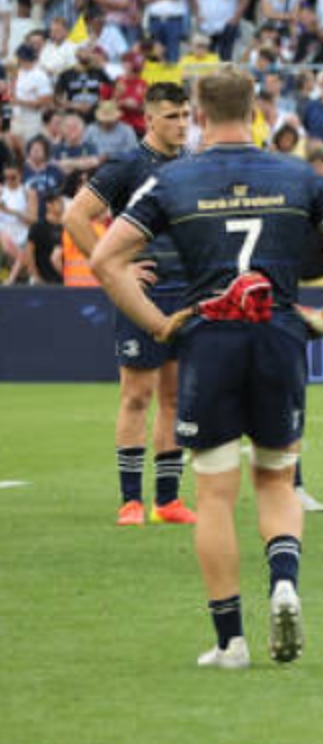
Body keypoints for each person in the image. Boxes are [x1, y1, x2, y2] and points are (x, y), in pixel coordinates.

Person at [88, 64, 323, 669]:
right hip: (278, 333)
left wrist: (156, 322)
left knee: (217, 495)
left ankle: (231, 641)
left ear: (198, 114)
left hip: (209, 338)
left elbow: (104, 258)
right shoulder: (298, 174)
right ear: (257, 112)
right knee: (277, 478)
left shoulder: (174, 179)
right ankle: (283, 582)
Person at [63, 83, 198, 526]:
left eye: (186, 115)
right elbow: (76, 217)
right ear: (150, 119)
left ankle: (167, 501)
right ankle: (130, 501)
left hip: (186, 293)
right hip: (142, 293)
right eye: (173, 116)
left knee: (175, 396)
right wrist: (114, 271)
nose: (181, 124)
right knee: (137, 395)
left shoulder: (193, 166)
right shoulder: (127, 165)